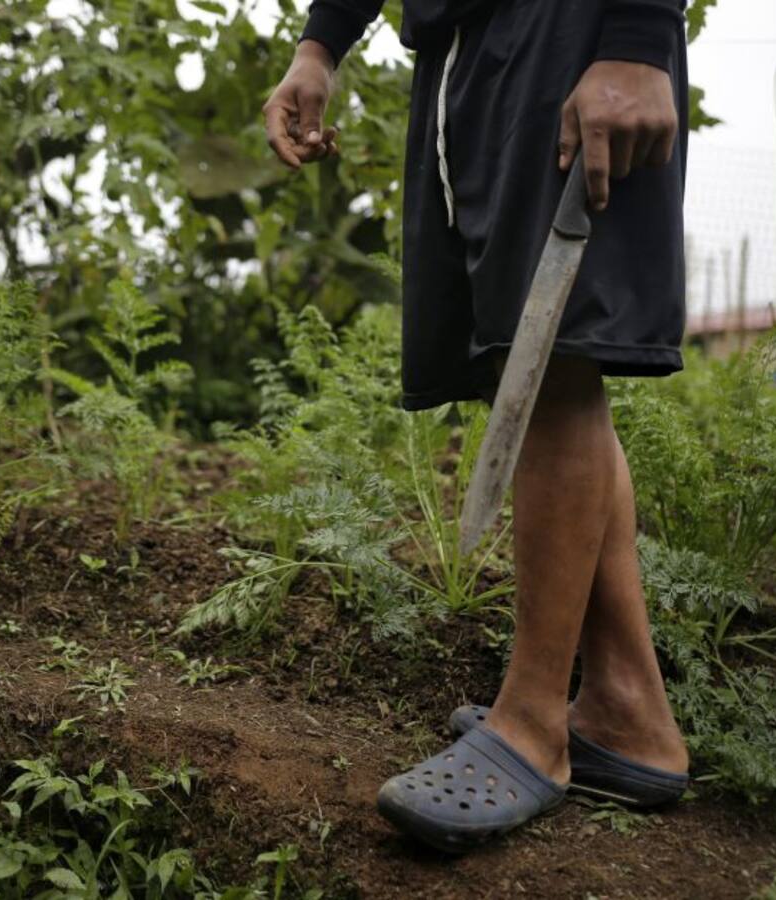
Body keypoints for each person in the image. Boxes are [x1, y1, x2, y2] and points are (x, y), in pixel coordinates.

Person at [263, 0, 692, 853]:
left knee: (555, 362)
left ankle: (533, 725)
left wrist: (642, 36)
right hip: (459, 48)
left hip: (573, 31)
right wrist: (321, 43)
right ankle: (627, 711)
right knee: (523, 355)